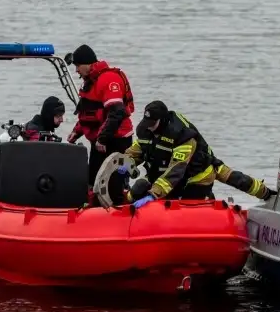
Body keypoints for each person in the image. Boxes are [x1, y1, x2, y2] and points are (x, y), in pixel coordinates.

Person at [120, 101, 217, 208]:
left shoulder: (181, 135)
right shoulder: (146, 131)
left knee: (186, 197)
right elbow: (136, 150)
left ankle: (206, 202)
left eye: (152, 124)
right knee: (139, 188)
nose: (149, 127)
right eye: (147, 123)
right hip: (165, 176)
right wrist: (127, 162)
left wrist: (153, 194)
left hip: (190, 178)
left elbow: (175, 171)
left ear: (162, 120)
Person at [67, 44, 136, 185]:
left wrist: (103, 139)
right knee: (94, 180)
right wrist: (76, 132)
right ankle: (94, 202)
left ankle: (119, 201)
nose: (76, 71)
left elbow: (117, 112)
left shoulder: (108, 79)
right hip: (100, 140)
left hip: (116, 140)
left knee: (115, 182)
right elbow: (89, 114)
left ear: (87, 64)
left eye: (78, 66)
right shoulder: (90, 82)